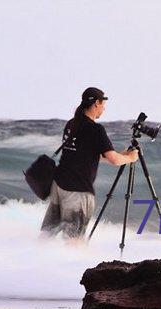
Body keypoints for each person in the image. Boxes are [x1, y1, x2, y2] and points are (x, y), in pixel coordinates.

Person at [41, 87, 139, 238]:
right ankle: (74, 261)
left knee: (46, 236)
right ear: (96, 104)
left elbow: (84, 154)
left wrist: (120, 155)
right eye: (103, 104)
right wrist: (131, 158)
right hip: (78, 191)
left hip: (59, 187)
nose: (104, 109)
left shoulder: (71, 124)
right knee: (74, 242)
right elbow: (114, 160)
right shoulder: (96, 129)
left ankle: (34, 259)